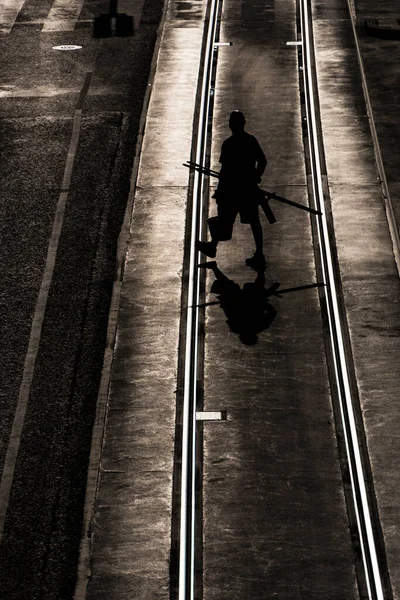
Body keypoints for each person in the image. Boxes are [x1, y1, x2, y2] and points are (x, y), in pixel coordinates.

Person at [196, 110, 268, 269]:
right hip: (248, 190)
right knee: (253, 222)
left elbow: (225, 171)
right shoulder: (250, 141)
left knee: (224, 219)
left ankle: (213, 246)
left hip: (232, 191)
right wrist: (255, 177)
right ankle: (259, 253)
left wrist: (220, 192)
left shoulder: (228, 144)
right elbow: (262, 161)